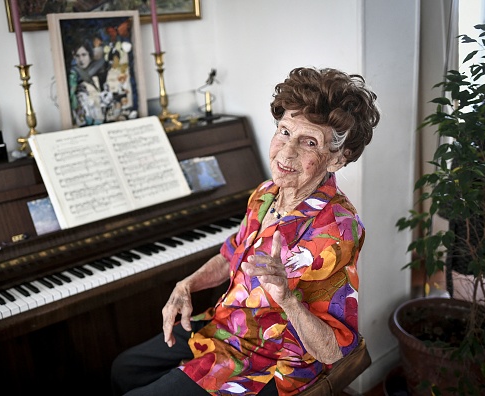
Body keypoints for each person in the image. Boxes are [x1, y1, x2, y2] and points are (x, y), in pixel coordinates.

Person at [110, 67, 380, 395]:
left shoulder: (337, 230)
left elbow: (332, 351)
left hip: (268, 359)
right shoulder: (266, 193)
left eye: (309, 142)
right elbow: (231, 255)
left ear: (338, 159)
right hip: (225, 326)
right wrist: (187, 285)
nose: (286, 151)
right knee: (124, 369)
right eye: (284, 131)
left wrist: (287, 299)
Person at [68, 39, 107, 126]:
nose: (81, 59)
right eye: (77, 56)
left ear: (90, 54)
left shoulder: (99, 68)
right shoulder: (73, 74)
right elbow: (72, 95)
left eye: (84, 55)